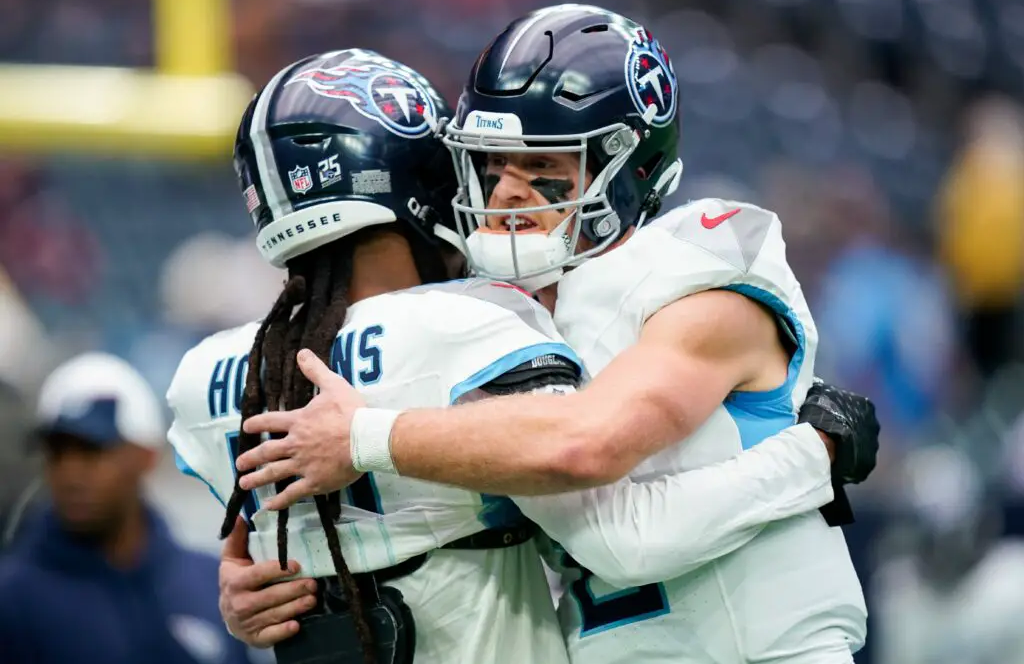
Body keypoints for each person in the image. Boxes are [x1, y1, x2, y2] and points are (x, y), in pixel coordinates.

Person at [173, 48, 877, 664]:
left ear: (625, 164)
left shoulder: (689, 276)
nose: (505, 191)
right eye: (488, 165)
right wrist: (814, 453)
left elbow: (594, 482)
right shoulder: (491, 319)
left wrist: (256, 569)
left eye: (541, 165)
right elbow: (597, 501)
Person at [0, 352, 254, 664]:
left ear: (146, 455)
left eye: (92, 450)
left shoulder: (212, 582)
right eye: (57, 452)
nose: (70, 473)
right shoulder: (11, 599)